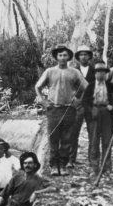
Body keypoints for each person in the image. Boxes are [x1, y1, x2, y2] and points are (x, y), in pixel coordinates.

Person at [34, 44, 87, 172]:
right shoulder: (50, 71)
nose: (63, 58)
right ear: (56, 57)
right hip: (53, 109)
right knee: (53, 138)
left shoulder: (74, 72)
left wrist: (79, 100)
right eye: (60, 55)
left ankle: (62, 165)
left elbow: (86, 87)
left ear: (69, 57)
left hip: (69, 109)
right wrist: (43, 101)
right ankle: (53, 166)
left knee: (66, 139)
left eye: (65, 55)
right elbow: (38, 87)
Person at [82, 62, 113, 174]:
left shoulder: (110, 85)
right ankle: (94, 166)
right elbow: (84, 101)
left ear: (106, 74)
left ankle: (106, 166)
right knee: (94, 140)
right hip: (94, 112)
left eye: (103, 72)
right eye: (98, 72)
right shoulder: (91, 85)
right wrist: (90, 110)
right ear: (95, 74)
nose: (100, 75)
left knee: (107, 140)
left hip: (106, 112)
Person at [69, 45, 96, 166]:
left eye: (86, 54)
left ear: (89, 56)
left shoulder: (95, 70)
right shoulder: (73, 71)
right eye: (81, 54)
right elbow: (69, 87)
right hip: (77, 105)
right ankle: (71, 159)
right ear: (78, 57)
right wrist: (73, 98)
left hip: (91, 104)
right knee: (74, 132)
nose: (83, 57)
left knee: (93, 132)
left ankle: (92, 159)